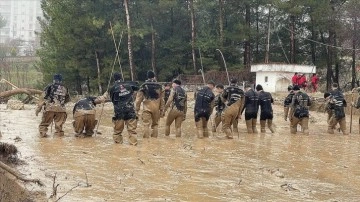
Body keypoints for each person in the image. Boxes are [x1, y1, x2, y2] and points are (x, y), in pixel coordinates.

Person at [109, 72, 139, 145]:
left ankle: (118, 149)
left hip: (119, 112)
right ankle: (133, 148)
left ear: (114, 79)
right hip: (130, 110)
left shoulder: (112, 88)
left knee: (117, 132)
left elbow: (112, 100)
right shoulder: (129, 84)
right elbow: (137, 86)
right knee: (132, 131)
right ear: (121, 77)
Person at [135, 70, 164, 138]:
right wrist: (162, 109)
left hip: (147, 107)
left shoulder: (144, 85)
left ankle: (146, 142)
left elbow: (138, 99)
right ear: (154, 76)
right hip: (156, 108)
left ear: (147, 77)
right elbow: (162, 99)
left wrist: (137, 109)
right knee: (155, 125)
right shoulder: (159, 86)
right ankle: (154, 140)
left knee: (146, 124)